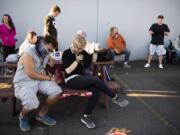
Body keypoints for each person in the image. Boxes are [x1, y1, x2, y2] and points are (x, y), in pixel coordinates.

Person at [62, 35, 129, 129]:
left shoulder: (83, 52)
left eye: (82, 48)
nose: (80, 50)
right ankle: (114, 97)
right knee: (95, 79)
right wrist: (77, 60)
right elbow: (67, 71)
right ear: (74, 45)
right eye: (79, 48)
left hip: (82, 78)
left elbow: (92, 60)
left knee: (96, 91)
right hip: (71, 79)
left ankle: (86, 116)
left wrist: (94, 51)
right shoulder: (67, 53)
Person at [13, 35, 62, 132]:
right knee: (32, 104)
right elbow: (31, 74)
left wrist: (51, 61)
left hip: (37, 80)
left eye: (51, 51)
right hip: (24, 82)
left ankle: (41, 115)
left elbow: (47, 63)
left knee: (57, 91)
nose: (49, 52)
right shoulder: (28, 53)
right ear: (43, 44)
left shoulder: (44, 53)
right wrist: (49, 78)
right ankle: (22, 116)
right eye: (48, 49)